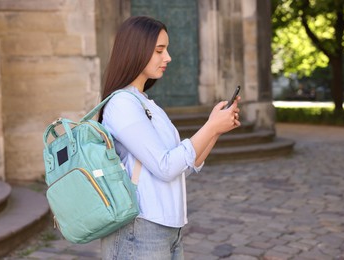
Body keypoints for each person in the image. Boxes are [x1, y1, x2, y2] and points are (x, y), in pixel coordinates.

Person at [99, 16, 240, 260]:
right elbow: (165, 167)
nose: (168, 57)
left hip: (166, 227)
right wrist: (209, 126)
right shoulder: (122, 103)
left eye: (166, 49)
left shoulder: (146, 103)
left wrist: (215, 130)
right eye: (159, 50)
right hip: (140, 227)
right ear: (136, 51)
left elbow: (182, 167)